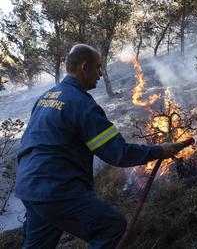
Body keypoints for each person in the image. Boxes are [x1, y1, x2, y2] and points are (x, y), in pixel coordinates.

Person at [15, 44, 185, 249]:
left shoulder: (46, 98)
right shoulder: (82, 104)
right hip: (56, 189)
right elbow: (118, 153)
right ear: (84, 67)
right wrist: (160, 150)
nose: (100, 74)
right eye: (98, 67)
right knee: (111, 227)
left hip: (29, 187)